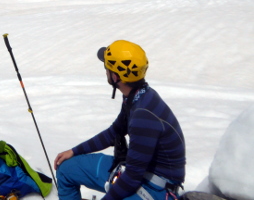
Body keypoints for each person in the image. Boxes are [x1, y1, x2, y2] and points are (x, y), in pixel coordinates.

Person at [53, 40, 186, 200]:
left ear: (115, 76)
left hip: (158, 189)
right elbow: (114, 133)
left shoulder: (143, 116)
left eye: (106, 67)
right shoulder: (137, 97)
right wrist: (74, 151)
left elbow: (131, 178)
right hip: (139, 173)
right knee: (66, 169)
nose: (105, 71)